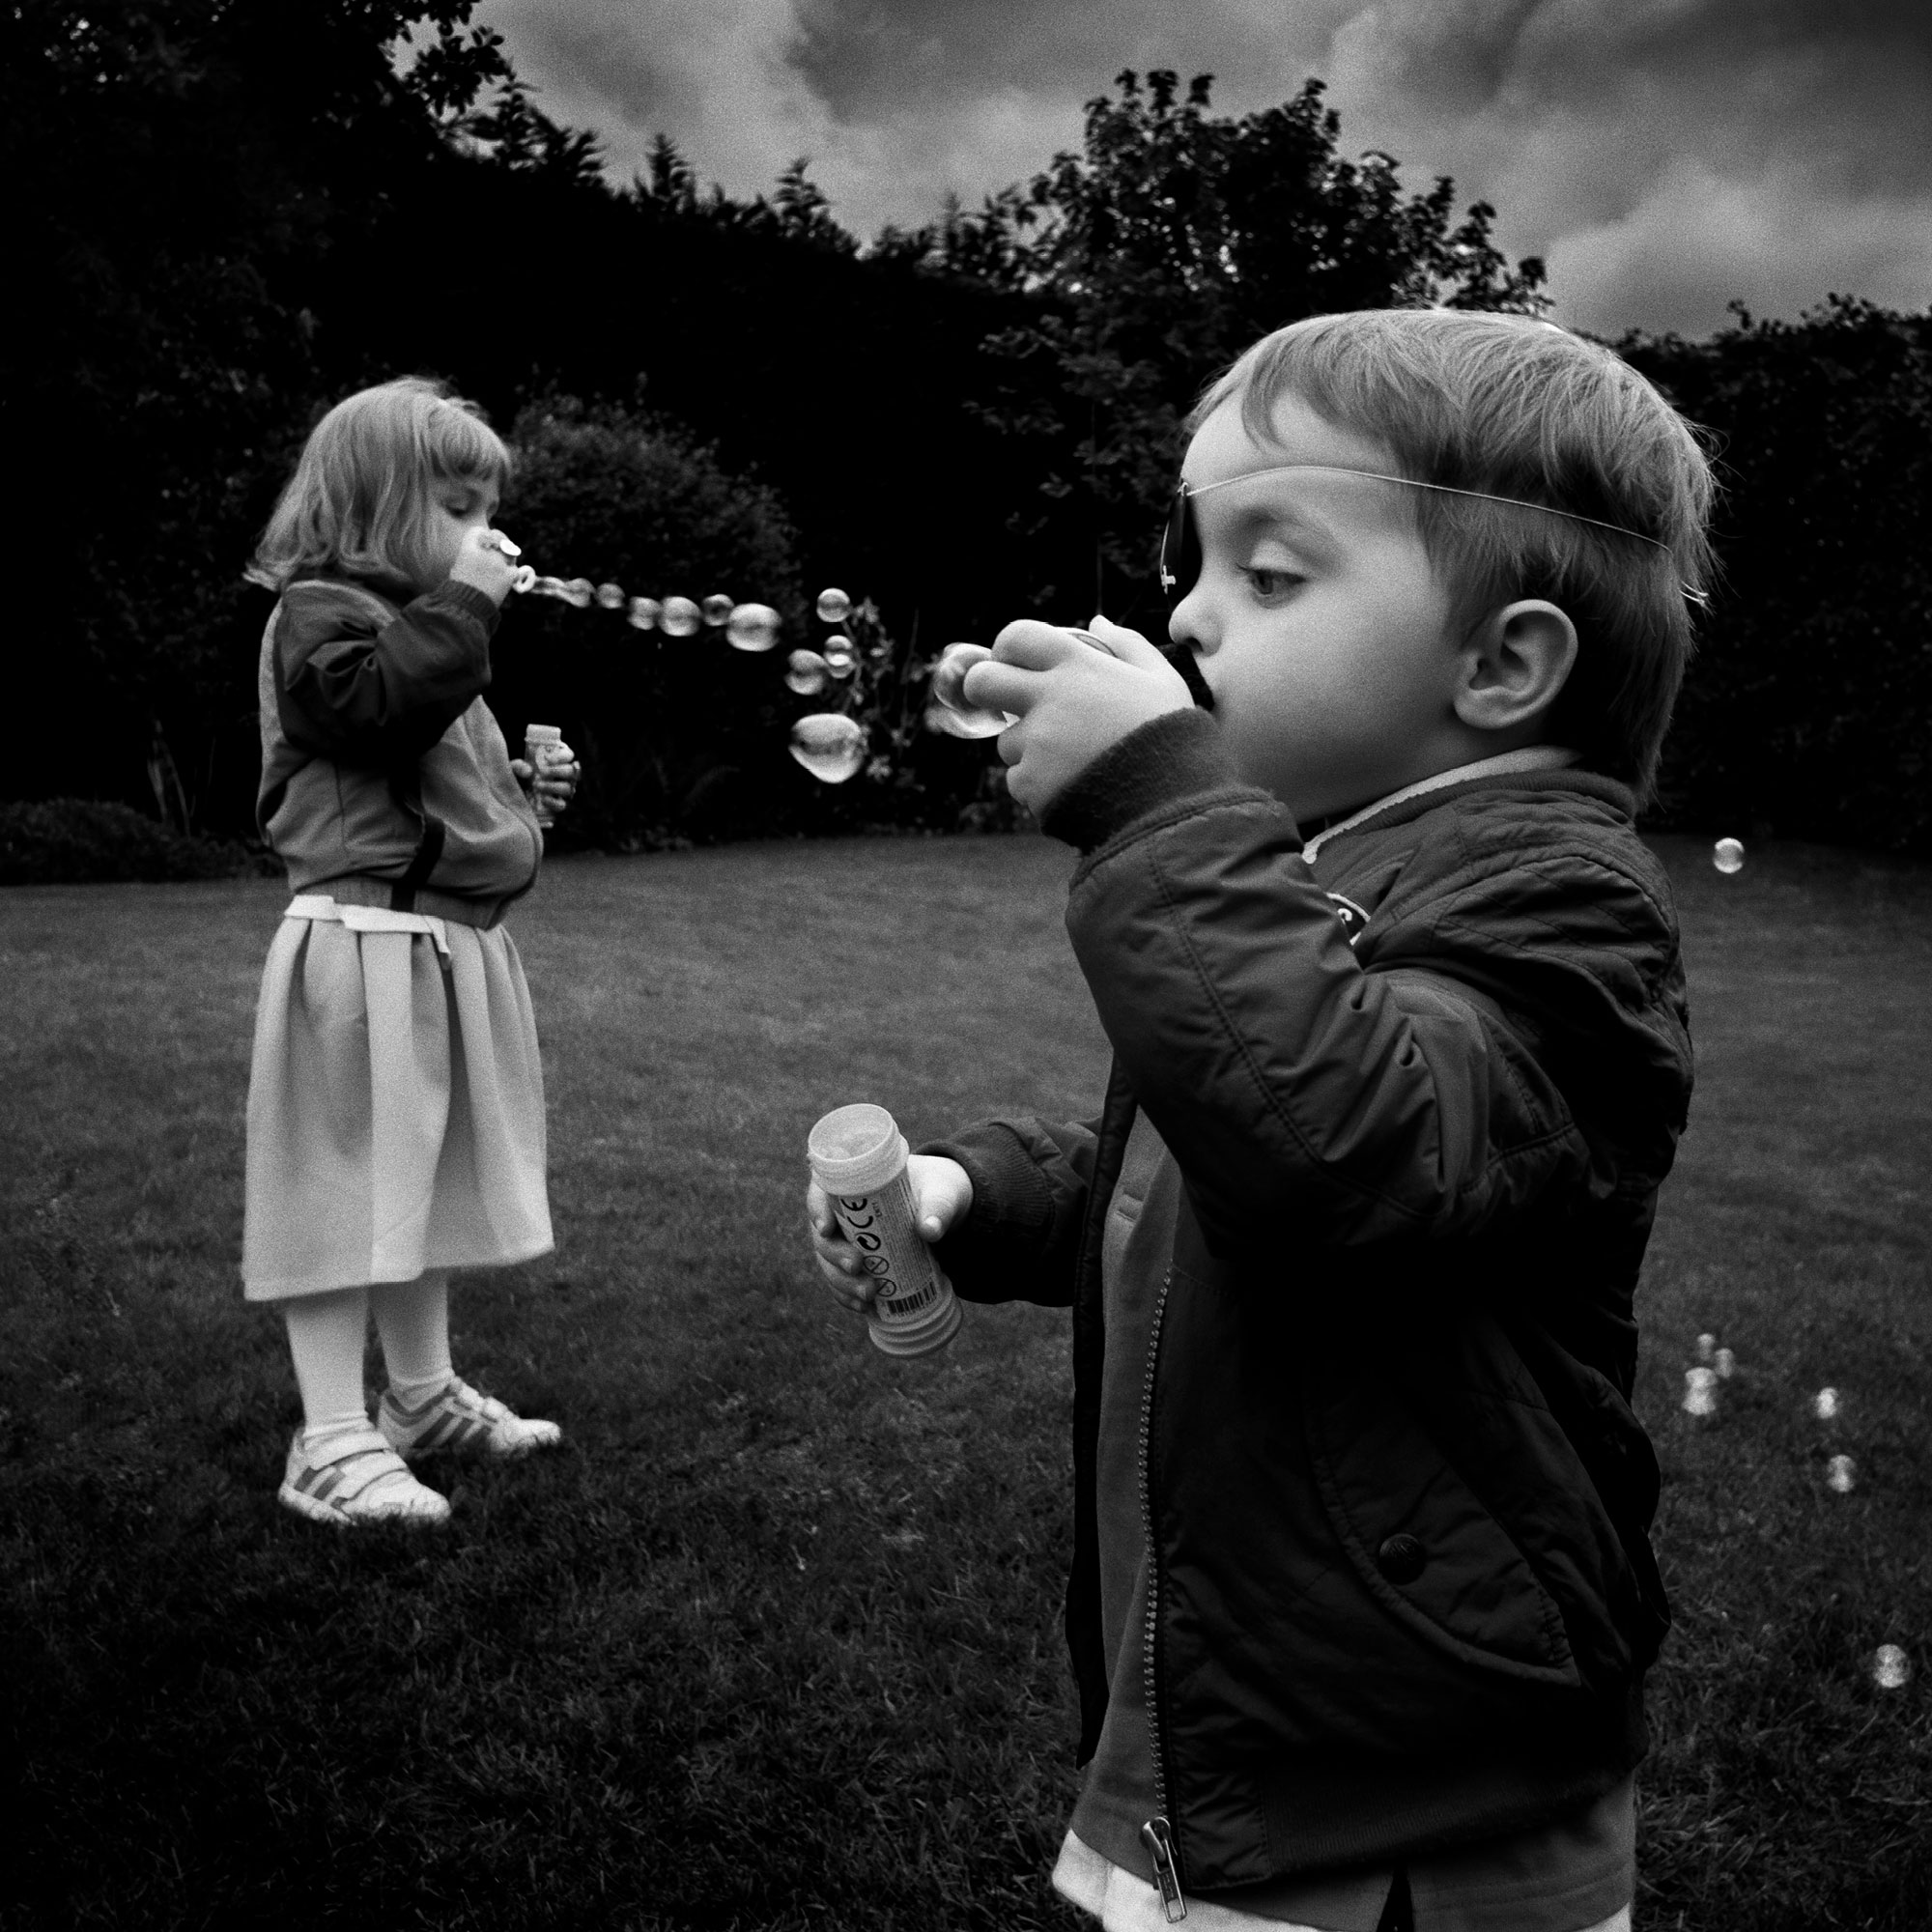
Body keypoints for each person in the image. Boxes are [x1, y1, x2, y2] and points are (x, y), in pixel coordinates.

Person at [809, 309, 1714, 1931]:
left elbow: (1347, 1154)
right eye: (1197, 561)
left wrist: (1160, 799)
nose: (1186, 615)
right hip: (1266, 1711)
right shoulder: (1303, 883)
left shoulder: (1567, 911)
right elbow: (1197, 1166)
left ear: (1502, 667)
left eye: (1269, 576)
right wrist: (973, 1194)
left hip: (1413, 1785)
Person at [242, 376, 579, 1528]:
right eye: (458, 506)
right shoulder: (322, 614)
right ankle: (329, 1434)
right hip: (362, 943)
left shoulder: (424, 634)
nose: (487, 534)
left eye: (489, 508)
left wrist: (524, 797)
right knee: (343, 1188)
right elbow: (368, 711)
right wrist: (471, 609)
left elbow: (431, 773)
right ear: (378, 506)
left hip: (436, 942)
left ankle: (422, 1398)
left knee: (421, 1186)